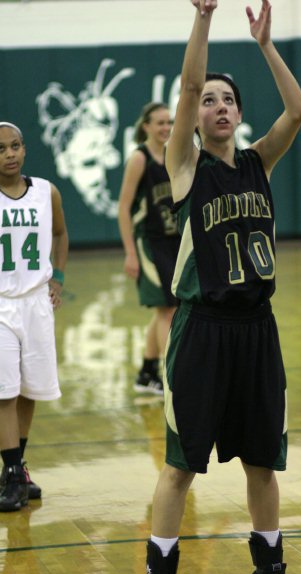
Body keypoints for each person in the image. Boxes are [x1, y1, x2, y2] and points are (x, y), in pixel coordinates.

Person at [141, 0, 301, 574]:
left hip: (257, 330)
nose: (215, 106)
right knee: (182, 465)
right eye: (208, 100)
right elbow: (185, 87)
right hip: (202, 330)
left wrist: (266, 46)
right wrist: (205, 20)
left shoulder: (259, 162)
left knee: (263, 460)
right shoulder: (186, 168)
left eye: (225, 100)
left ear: (238, 112)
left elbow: (298, 112)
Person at [0, 121, 68, 512]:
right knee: (3, 389)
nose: (10, 153)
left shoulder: (46, 192)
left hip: (36, 303)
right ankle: (14, 473)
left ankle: (16, 468)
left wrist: (59, 276)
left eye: (15, 145)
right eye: (0, 149)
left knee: (30, 388)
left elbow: (61, 234)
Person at [118, 102, 180, 395]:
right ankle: (173, 376)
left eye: (169, 122)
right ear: (146, 126)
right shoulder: (140, 158)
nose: (166, 128)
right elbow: (123, 208)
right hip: (149, 243)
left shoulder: (172, 153)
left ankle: (146, 372)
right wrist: (130, 252)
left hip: (173, 241)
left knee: (166, 310)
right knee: (167, 309)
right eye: (160, 123)